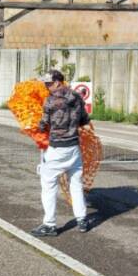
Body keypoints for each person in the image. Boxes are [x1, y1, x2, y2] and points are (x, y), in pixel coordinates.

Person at [31, 70, 91, 237]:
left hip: (57, 148)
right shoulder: (77, 97)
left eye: (49, 83)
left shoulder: (50, 101)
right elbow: (85, 120)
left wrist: (36, 126)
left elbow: (43, 125)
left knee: (49, 186)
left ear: (58, 82)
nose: (46, 86)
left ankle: (49, 224)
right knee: (76, 185)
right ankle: (82, 220)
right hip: (74, 148)